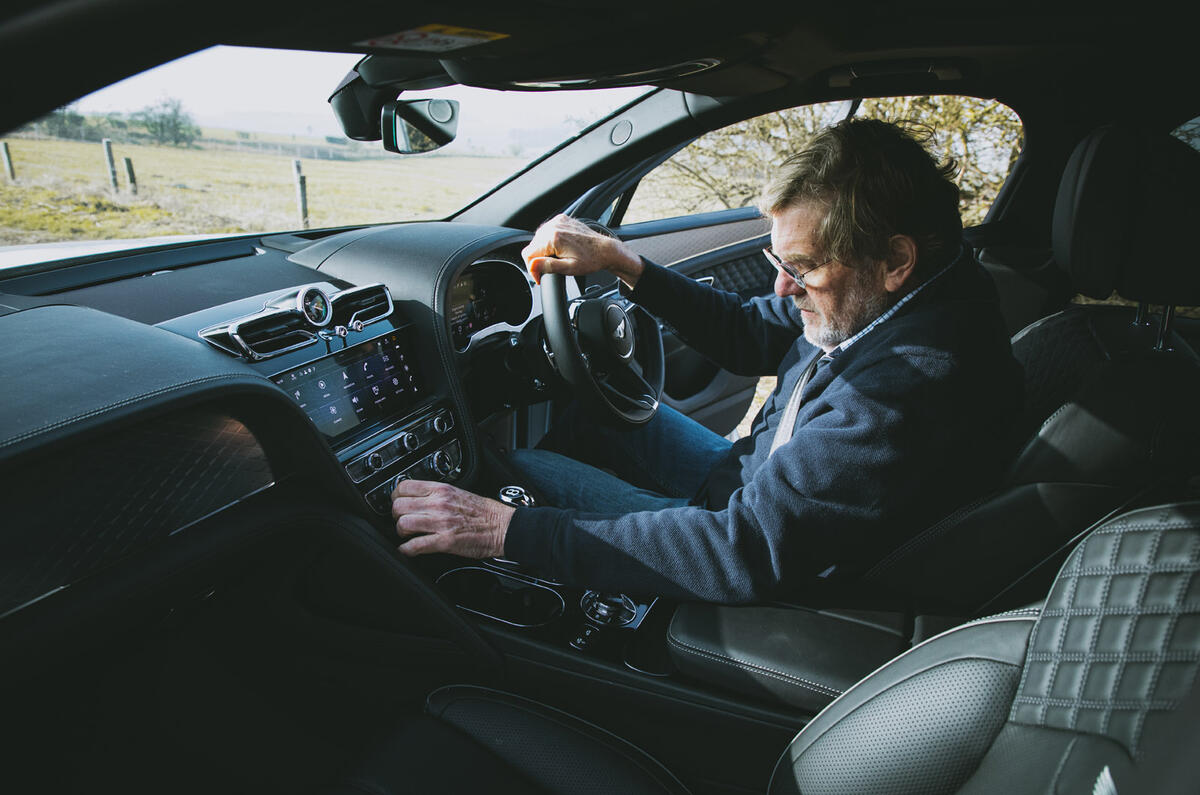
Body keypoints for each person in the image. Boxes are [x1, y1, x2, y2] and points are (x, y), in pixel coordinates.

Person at [389, 119, 1023, 603]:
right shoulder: (899, 300)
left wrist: (507, 530)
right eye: (778, 262)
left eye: (802, 267)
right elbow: (748, 332)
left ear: (895, 260)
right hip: (747, 482)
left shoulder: (908, 386)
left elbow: (742, 549)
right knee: (589, 410)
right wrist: (621, 261)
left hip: (741, 538)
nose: (783, 287)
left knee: (522, 469)